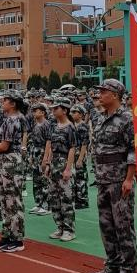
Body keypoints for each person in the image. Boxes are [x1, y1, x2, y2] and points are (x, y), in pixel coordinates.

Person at [88, 79, 137, 273]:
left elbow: (133, 150)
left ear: (115, 95)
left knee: (123, 225)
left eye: (104, 91)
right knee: (106, 225)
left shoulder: (127, 119)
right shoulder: (100, 119)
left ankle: (127, 268)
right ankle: (112, 264)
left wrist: (128, 179)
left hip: (119, 181)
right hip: (102, 180)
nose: (100, 94)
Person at [0, 92, 27, 253]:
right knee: (5, 199)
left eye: (6, 100)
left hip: (10, 161)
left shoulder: (13, 120)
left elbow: (4, 146)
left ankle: (17, 239)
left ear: (13, 104)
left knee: (13, 200)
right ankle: (7, 235)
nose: (2, 102)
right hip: (7, 161)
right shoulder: (13, 119)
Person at [43, 98, 78, 242]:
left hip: (64, 163)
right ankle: (60, 227)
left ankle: (69, 230)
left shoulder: (70, 127)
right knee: (54, 198)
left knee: (66, 198)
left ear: (64, 110)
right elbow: (51, 146)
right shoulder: (54, 126)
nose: (53, 110)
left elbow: (72, 148)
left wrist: (68, 169)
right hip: (55, 164)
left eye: (56, 108)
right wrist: (48, 164)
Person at [71, 105, 90, 209]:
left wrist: (80, 159)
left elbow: (84, 144)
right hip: (74, 151)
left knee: (81, 177)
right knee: (75, 177)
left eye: (75, 112)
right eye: (72, 112)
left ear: (81, 115)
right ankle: (77, 198)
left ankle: (82, 200)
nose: (72, 113)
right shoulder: (73, 125)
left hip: (80, 152)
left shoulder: (83, 126)